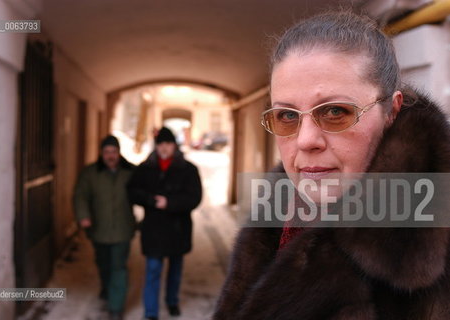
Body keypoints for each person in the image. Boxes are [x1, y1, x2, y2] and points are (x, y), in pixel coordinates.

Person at [214, 11, 450, 319]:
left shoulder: (429, 245)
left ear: (391, 111)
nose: (305, 140)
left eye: (336, 111)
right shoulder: (276, 218)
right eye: (286, 116)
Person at [128, 127, 202, 320]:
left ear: (174, 146)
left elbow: (195, 197)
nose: (164, 147)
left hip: (178, 228)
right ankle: (151, 312)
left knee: (175, 271)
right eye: (160, 143)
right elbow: (132, 191)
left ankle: (172, 301)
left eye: (167, 144)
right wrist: (150, 200)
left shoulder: (188, 169)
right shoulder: (145, 168)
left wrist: (170, 203)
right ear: (156, 145)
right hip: (154, 228)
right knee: (153, 270)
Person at [73, 135, 136, 320]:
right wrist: (83, 215)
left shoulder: (129, 172)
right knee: (103, 263)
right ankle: (107, 287)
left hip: (123, 228)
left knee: (119, 267)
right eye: (107, 152)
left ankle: (116, 307)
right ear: (101, 153)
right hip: (98, 229)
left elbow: (142, 190)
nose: (111, 156)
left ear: (119, 153)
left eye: (114, 152)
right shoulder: (90, 173)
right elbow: (80, 195)